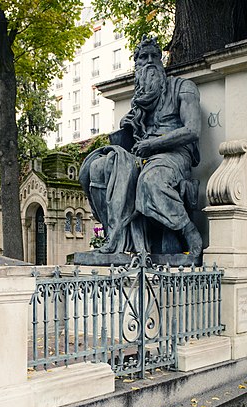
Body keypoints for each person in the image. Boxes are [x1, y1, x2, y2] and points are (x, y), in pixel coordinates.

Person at [79, 36, 202, 257]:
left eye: (154, 56)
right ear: (137, 65)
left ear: (161, 61)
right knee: (97, 168)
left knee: (150, 180)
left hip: (173, 155)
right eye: (143, 57)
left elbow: (192, 130)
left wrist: (153, 144)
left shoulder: (183, 87)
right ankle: (113, 239)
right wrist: (127, 128)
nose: (149, 61)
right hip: (143, 156)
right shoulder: (140, 99)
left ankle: (189, 231)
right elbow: (134, 142)